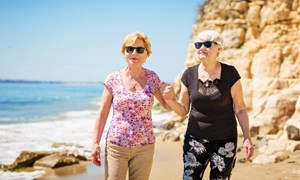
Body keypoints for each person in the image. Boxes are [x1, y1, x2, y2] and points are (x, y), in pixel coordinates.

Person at [162, 30, 254, 180]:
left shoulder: (230, 73)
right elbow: (183, 109)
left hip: (225, 140)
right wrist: (171, 101)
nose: (201, 48)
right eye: (198, 44)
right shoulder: (189, 75)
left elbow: (240, 108)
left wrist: (247, 138)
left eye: (207, 44)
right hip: (195, 139)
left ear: (219, 48)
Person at [91, 32, 170, 180]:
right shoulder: (112, 78)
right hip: (116, 146)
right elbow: (102, 113)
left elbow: (166, 105)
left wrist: (170, 95)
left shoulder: (153, 78)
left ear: (147, 54)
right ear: (123, 52)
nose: (134, 53)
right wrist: (95, 143)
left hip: (145, 147)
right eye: (130, 49)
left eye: (140, 50)